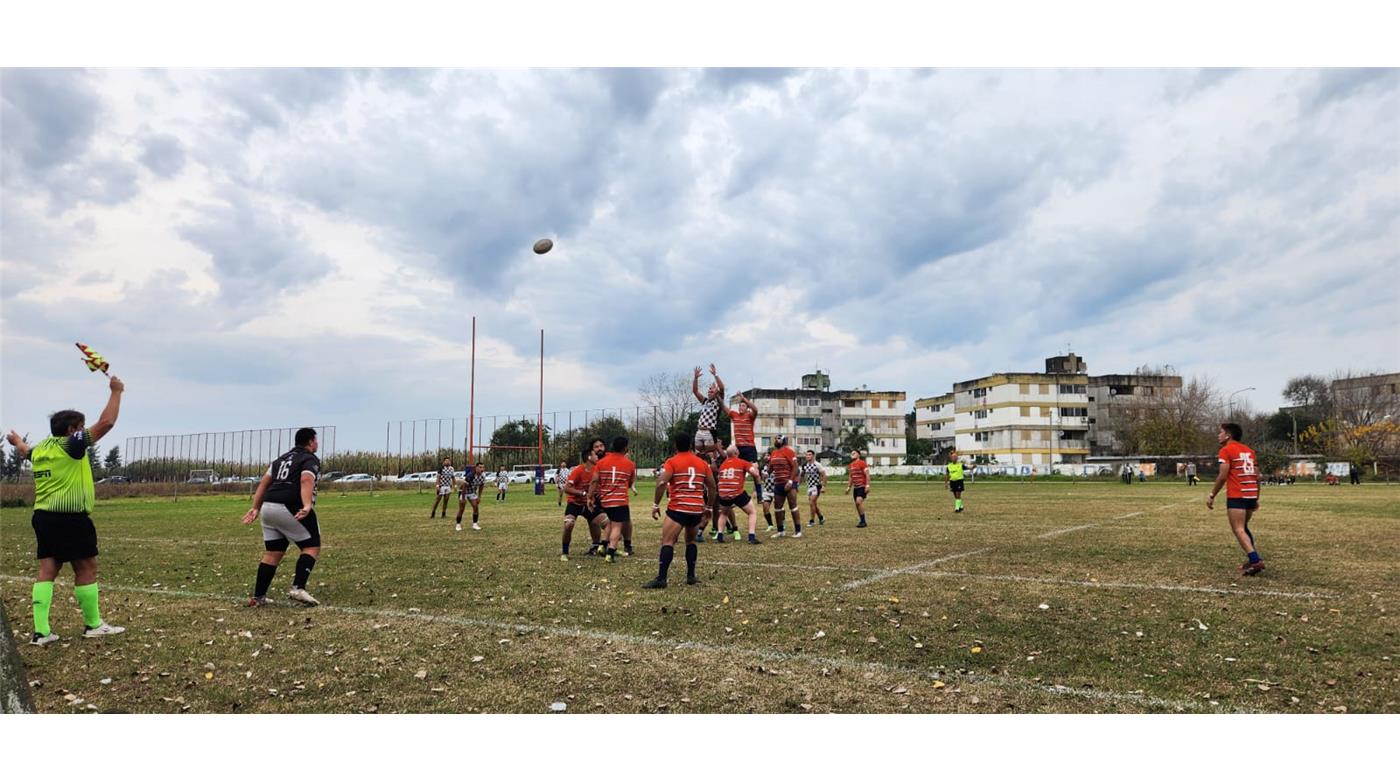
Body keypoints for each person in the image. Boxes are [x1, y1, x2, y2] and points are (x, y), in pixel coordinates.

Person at [7, 375, 127, 646]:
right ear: (73, 429)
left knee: (48, 568)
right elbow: (106, 423)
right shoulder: (71, 445)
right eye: (81, 427)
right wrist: (116, 392)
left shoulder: (41, 450)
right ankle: (94, 624)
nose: (84, 432)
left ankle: (41, 632)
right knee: (86, 567)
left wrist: (16, 442)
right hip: (70, 518)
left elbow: (25, 450)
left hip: (43, 517)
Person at [241, 427, 324, 607]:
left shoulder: (280, 459)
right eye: (316, 440)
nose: (317, 443)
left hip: (268, 506)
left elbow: (264, 483)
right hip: (290, 505)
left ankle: (258, 597)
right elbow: (306, 479)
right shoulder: (309, 458)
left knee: (273, 553)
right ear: (310, 441)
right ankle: (298, 588)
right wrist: (307, 504)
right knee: (311, 547)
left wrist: (255, 507)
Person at [643, 432, 717, 588]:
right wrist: (708, 507)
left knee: (667, 541)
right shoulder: (702, 463)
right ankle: (691, 576)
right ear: (691, 445)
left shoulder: (672, 462)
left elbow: (661, 483)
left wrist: (656, 504)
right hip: (696, 508)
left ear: (675, 446)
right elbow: (712, 487)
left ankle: (661, 579)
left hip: (679, 507)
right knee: (690, 541)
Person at [1206, 422, 1264, 576]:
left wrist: (1212, 495)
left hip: (1237, 494)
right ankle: (1253, 558)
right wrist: (1256, 497)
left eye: (1220, 432)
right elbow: (1257, 476)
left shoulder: (1226, 450)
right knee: (1243, 527)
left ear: (1228, 435)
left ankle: (1255, 560)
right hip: (1251, 493)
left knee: (1238, 529)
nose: (1218, 435)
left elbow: (1223, 476)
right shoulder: (1250, 451)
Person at [586, 436, 637, 563]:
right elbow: (630, 482)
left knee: (609, 523)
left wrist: (589, 497)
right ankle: (611, 553)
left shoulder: (601, 463)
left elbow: (594, 481)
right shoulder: (630, 464)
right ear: (625, 448)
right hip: (620, 500)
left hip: (605, 500)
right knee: (617, 527)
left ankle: (603, 545)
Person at [560, 446, 605, 560]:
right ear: (589, 457)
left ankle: (600, 547)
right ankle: (565, 553)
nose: (597, 457)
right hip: (574, 504)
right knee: (568, 524)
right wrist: (583, 494)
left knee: (608, 524)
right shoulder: (578, 470)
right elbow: (566, 488)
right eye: (595, 455)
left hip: (589, 504)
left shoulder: (597, 470)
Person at [716, 444, 763, 544]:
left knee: (723, 513)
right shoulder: (742, 462)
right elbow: (755, 474)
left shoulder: (723, 465)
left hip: (723, 493)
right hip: (736, 492)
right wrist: (755, 467)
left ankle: (720, 535)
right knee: (752, 512)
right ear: (736, 453)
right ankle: (751, 536)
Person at [727, 392, 762, 500]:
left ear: (747, 408)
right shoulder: (734, 415)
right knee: (738, 471)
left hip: (750, 447)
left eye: (743, 406)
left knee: (755, 471)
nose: (740, 407)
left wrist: (745, 399)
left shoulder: (750, 416)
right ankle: (736, 494)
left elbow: (755, 410)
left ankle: (760, 495)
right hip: (739, 448)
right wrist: (718, 397)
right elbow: (724, 408)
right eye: (740, 406)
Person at [768, 436, 802, 537]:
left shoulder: (789, 451)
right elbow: (770, 468)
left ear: (783, 440)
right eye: (775, 439)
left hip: (789, 482)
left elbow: (796, 467)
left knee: (793, 505)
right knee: (777, 507)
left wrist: (791, 481)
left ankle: (798, 531)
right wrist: (766, 472)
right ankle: (780, 531)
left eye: (778, 438)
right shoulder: (773, 453)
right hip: (778, 483)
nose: (776, 440)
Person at [692, 364, 725, 458]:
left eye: (712, 389)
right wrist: (695, 378)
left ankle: (720, 460)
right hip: (699, 430)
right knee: (698, 453)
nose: (709, 390)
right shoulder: (705, 401)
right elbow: (695, 391)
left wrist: (715, 374)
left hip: (709, 431)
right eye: (709, 389)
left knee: (710, 454)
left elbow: (722, 388)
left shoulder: (718, 401)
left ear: (716, 391)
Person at [455, 462, 487, 531]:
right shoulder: (470, 476)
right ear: (476, 468)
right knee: (461, 509)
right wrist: (463, 498)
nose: (482, 469)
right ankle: (458, 525)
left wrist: (479, 496)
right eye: (480, 467)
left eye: (483, 467)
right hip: (464, 492)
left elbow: (481, 486)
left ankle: (475, 524)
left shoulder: (483, 476)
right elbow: (464, 487)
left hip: (472, 492)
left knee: (476, 507)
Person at [845, 449, 871, 527]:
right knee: (857, 505)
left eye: (854, 453)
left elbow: (867, 475)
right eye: (851, 453)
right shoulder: (851, 465)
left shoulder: (862, 463)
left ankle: (863, 522)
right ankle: (862, 521)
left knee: (858, 502)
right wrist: (849, 487)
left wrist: (867, 485)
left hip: (862, 486)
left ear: (858, 455)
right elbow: (851, 477)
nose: (852, 454)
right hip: (855, 488)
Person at [801, 450, 827, 526]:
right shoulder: (804, 465)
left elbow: (824, 475)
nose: (807, 456)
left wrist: (823, 486)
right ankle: (821, 518)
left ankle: (812, 521)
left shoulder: (817, 465)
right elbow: (802, 475)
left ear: (813, 456)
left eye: (809, 455)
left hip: (816, 486)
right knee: (813, 504)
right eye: (806, 455)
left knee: (812, 502)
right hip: (809, 486)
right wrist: (797, 484)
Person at [759, 456, 776, 531]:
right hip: (766, 490)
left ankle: (782, 522)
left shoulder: (777, 466)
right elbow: (761, 479)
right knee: (765, 508)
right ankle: (770, 525)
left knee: (778, 508)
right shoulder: (763, 467)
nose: (766, 457)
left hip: (776, 490)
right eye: (765, 455)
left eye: (767, 455)